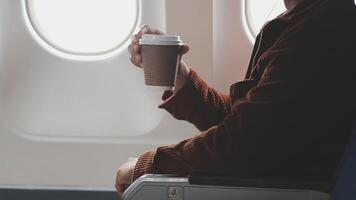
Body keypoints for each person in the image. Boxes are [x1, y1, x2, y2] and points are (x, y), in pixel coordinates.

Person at [116, 0, 356, 196]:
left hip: (286, 189)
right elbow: (242, 121)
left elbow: (244, 144)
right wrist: (178, 71)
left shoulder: (321, 29)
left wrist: (148, 167)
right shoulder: (301, 22)